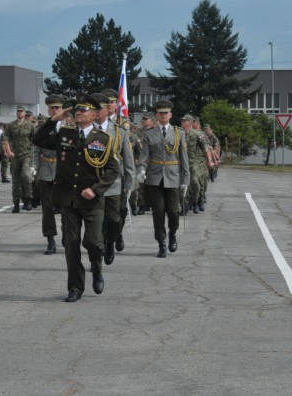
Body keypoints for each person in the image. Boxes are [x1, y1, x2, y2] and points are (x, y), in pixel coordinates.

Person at [32, 93, 119, 303]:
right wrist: (53, 120)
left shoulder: (103, 139)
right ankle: (75, 287)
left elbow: (112, 170)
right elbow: (37, 139)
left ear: (94, 115)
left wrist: (96, 189)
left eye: (83, 110)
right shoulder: (64, 134)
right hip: (68, 199)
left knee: (93, 242)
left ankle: (96, 268)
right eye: (77, 109)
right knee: (71, 244)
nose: (78, 113)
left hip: (92, 201)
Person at [137, 100, 189, 258]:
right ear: (157, 115)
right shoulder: (149, 134)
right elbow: (144, 157)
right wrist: (141, 170)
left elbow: (184, 159)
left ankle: (172, 233)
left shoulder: (179, 133)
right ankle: (161, 242)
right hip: (155, 178)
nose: (163, 115)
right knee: (158, 212)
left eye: (166, 113)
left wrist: (186, 181)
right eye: (160, 113)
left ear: (171, 115)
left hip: (173, 177)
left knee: (173, 211)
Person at [92, 92, 135, 266]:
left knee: (114, 219)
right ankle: (101, 248)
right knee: (97, 220)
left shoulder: (119, 131)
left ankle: (111, 240)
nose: (97, 111)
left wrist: (130, 183)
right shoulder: (86, 130)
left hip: (114, 182)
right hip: (93, 182)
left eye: (101, 108)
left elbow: (128, 159)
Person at [32, 94, 65, 255]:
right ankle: (50, 240)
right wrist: (33, 166)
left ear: (62, 109)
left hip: (64, 172)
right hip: (46, 170)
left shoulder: (70, 126)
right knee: (47, 209)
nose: (54, 110)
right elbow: (35, 148)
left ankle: (67, 235)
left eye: (57, 107)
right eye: (52, 108)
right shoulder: (42, 128)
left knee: (67, 208)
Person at [2, 106, 35, 213]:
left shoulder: (30, 125)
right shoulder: (11, 125)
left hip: (26, 155)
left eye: (21, 111)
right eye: (18, 111)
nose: (20, 113)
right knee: (16, 181)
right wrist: (8, 152)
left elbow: (34, 140)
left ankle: (28, 200)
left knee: (26, 177)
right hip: (15, 156)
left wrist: (34, 154)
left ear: (24, 113)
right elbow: (6, 139)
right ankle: (16, 203)